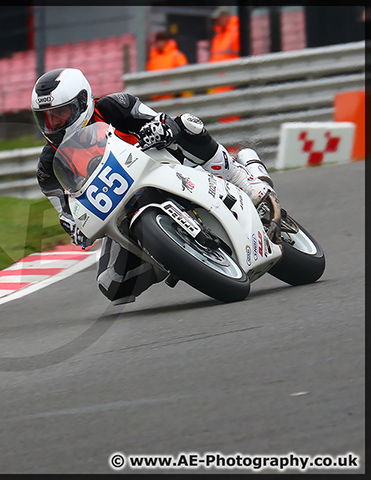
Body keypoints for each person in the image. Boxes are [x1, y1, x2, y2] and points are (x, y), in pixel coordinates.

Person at [31, 67, 280, 305]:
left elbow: (158, 119)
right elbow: (65, 210)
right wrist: (74, 226)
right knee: (113, 285)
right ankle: (176, 254)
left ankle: (242, 179)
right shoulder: (47, 166)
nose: (53, 123)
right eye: (46, 117)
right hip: (118, 207)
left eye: (60, 113)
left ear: (83, 102)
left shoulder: (115, 106)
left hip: (159, 165)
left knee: (187, 125)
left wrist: (162, 128)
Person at [147, 31, 189, 100]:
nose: (160, 44)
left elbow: (183, 75)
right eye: (158, 42)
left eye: (162, 41)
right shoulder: (153, 58)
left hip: (174, 96)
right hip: (157, 96)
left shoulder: (176, 55)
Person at [208, 6, 240, 97]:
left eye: (218, 19)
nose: (216, 22)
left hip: (231, 80)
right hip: (218, 81)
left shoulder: (236, 32)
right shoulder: (217, 36)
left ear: (226, 17)